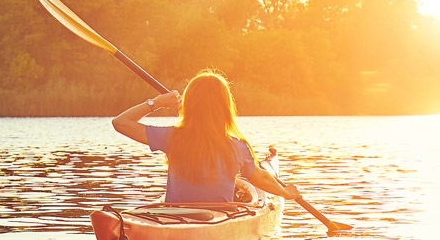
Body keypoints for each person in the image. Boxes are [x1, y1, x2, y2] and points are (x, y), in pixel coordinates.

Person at [111, 70, 302, 203]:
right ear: (225, 108)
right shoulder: (238, 146)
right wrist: (286, 192)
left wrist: (157, 103)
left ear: (189, 105)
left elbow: (121, 122)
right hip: (218, 215)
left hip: (177, 217)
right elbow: (261, 178)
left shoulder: (171, 137)